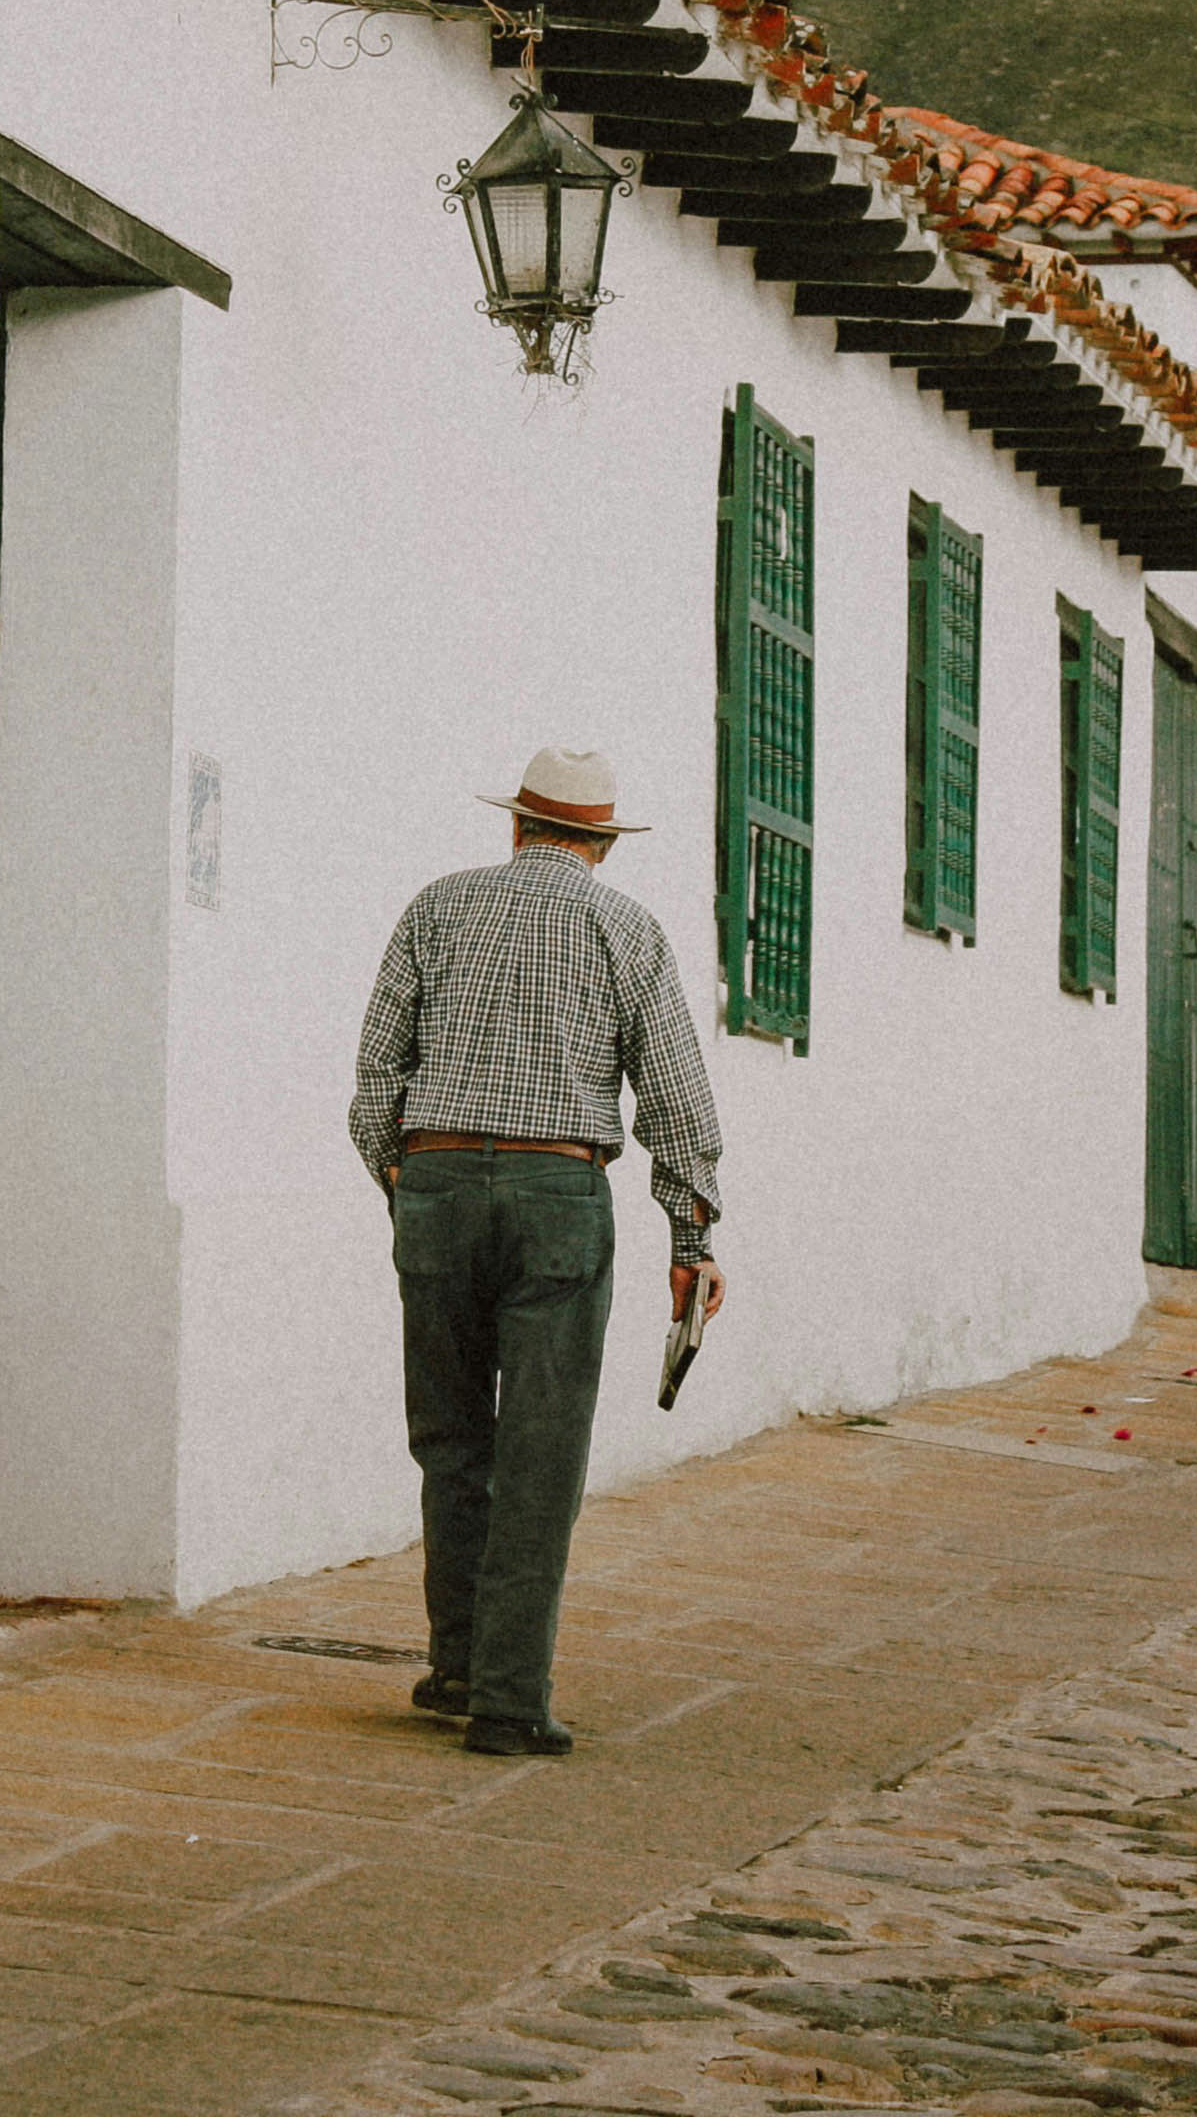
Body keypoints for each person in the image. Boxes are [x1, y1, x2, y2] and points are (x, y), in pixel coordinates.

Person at [349, 746, 722, 1757]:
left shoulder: (436, 907)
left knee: (452, 1437)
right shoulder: (627, 928)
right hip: (559, 1190)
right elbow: (677, 1098)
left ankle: (459, 1663)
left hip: (434, 1183)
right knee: (541, 1451)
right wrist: (690, 1235)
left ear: (516, 826)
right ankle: (510, 1699)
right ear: (599, 842)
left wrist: (406, 1181)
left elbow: (376, 1073)